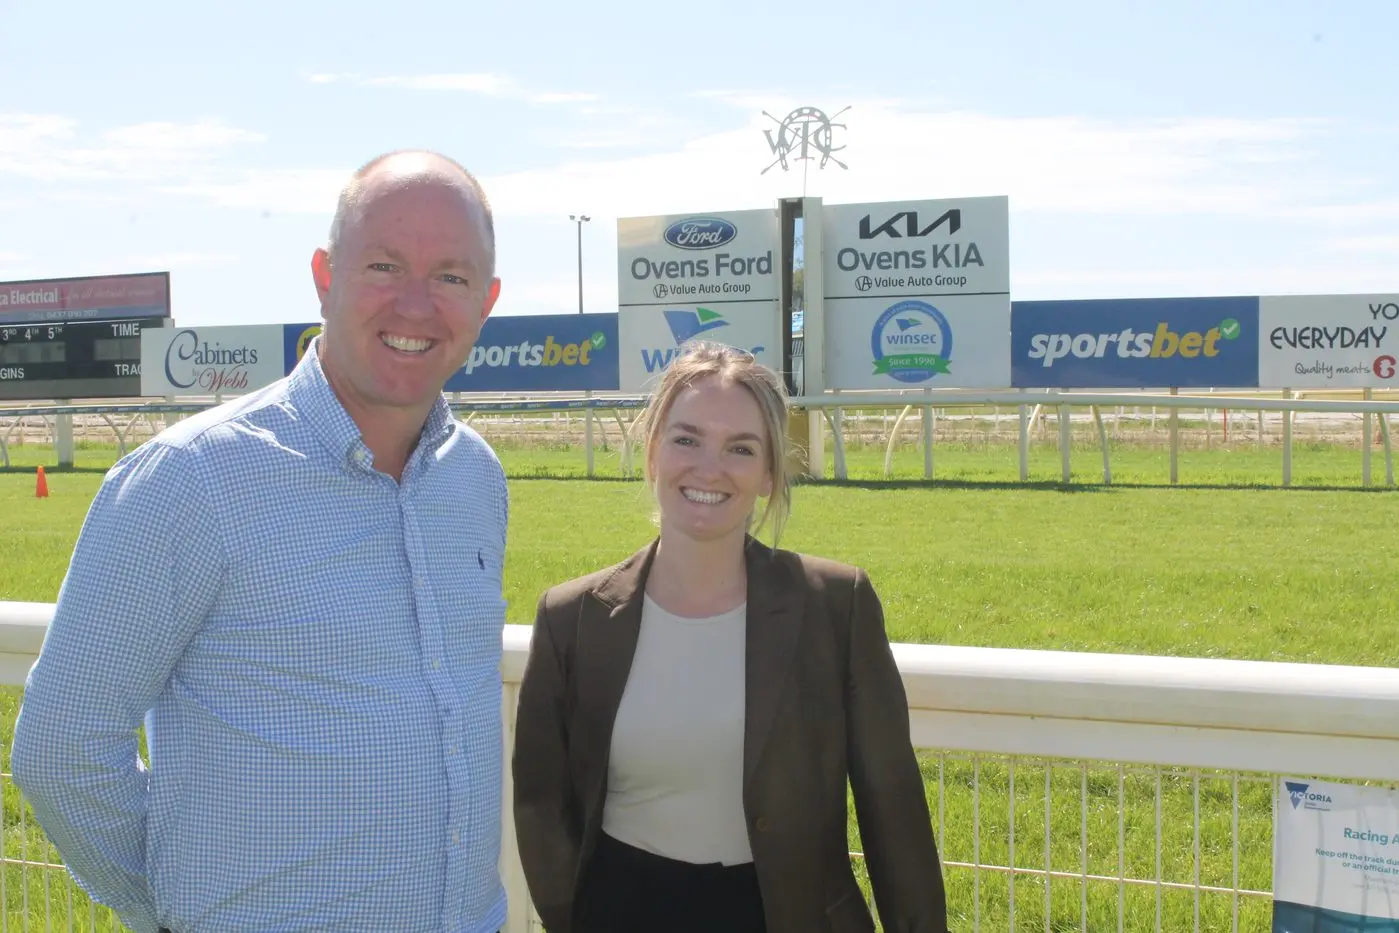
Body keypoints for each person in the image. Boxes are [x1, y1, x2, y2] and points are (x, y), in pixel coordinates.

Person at [11, 150, 511, 933]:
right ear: (323, 275)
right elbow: (62, 746)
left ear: (486, 299)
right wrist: (174, 910)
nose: (415, 304)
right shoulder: (192, 479)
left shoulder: (475, 478)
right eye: (384, 265)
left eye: (449, 276)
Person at [511, 341, 949, 933]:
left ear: (769, 474)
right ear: (652, 452)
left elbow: (891, 807)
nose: (709, 468)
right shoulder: (572, 617)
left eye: (740, 448)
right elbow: (542, 803)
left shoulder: (835, 607)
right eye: (686, 438)